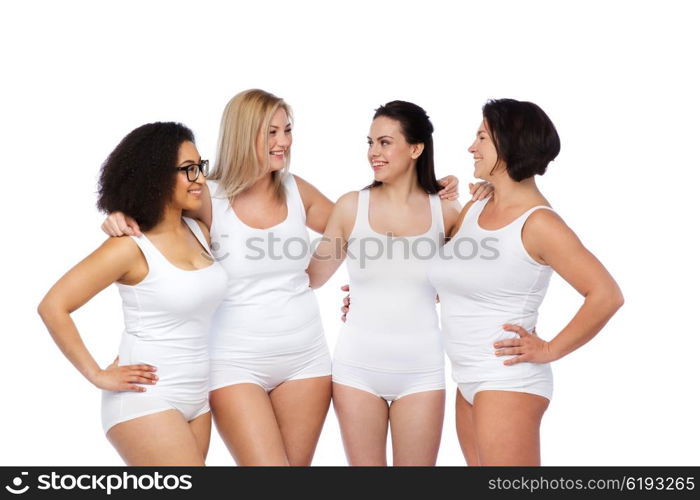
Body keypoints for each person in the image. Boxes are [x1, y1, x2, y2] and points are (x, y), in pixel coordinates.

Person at [102, 90, 473, 465]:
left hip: (306, 359)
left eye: (287, 130)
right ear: (244, 136)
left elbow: (369, 231)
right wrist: (119, 213)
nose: (284, 142)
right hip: (234, 360)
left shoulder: (297, 190)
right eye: (271, 133)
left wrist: (389, 286)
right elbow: (157, 205)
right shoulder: (207, 196)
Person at [427, 98, 624, 465]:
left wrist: (549, 350)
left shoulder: (540, 224)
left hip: (508, 382)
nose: (471, 147)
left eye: (481, 137)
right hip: (467, 378)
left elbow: (606, 295)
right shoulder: (475, 207)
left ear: (508, 143)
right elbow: (444, 279)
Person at [38, 122, 227, 465]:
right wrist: (96, 374)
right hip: (146, 398)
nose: (199, 178)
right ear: (154, 176)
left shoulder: (198, 230)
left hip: (198, 397)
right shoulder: (128, 248)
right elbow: (53, 306)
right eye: (188, 170)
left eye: (200, 166)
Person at [308, 100, 463, 466]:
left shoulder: (447, 212)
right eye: (370, 142)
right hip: (357, 369)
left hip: (422, 371)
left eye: (385, 142)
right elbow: (311, 278)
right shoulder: (350, 207)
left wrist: (484, 187)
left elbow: (470, 284)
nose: (373, 153)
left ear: (415, 148)